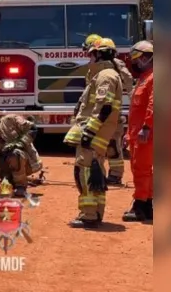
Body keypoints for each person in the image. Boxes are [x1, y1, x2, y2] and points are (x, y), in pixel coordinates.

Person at [63, 37, 124, 228]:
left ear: (99, 54)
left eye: (90, 54)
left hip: (94, 133)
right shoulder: (103, 74)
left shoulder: (105, 75)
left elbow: (104, 107)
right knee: (95, 173)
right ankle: (95, 213)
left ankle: (89, 215)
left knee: (85, 172)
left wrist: (89, 131)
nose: (88, 58)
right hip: (98, 132)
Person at [80, 34, 133, 185]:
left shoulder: (115, 65)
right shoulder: (93, 67)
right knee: (98, 146)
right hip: (98, 112)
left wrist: (132, 102)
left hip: (112, 111)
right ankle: (99, 174)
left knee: (112, 145)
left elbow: (128, 83)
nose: (88, 54)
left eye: (90, 51)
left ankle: (115, 175)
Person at [0, 106, 42, 197]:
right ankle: (6, 182)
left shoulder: (11, 120)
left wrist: (20, 143)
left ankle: (21, 186)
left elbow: (32, 128)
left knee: (14, 153)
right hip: (10, 162)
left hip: (29, 162)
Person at [122, 40, 154, 222]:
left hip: (146, 134)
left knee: (142, 170)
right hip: (138, 134)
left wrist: (147, 127)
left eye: (136, 59)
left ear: (144, 58)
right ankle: (147, 205)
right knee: (141, 170)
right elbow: (135, 110)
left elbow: (153, 105)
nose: (134, 63)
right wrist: (128, 134)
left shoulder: (153, 78)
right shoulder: (144, 78)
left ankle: (140, 205)